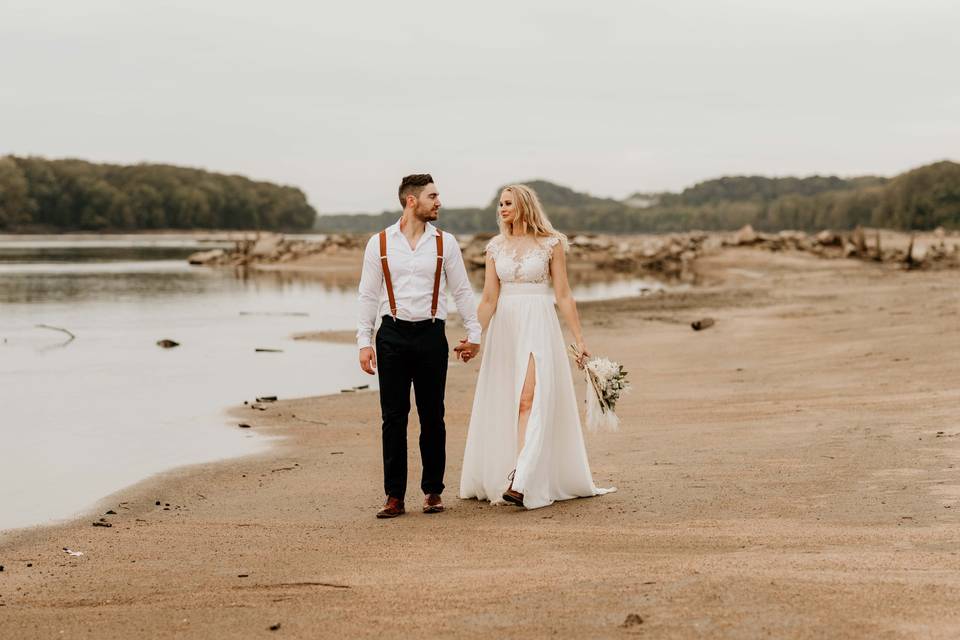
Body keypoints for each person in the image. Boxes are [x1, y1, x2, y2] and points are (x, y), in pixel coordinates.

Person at [458, 184, 615, 509]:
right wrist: (474, 336)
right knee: (509, 400)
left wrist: (579, 339)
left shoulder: (551, 244)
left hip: (538, 324)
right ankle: (513, 470)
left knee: (529, 398)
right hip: (505, 327)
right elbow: (488, 298)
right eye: (500, 203)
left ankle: (521, 478)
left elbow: (563, 294)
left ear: (524, 206)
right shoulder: (495, 247)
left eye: (508, 203)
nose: (501, 209)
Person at [357, 174, 481, 518]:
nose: (439, 201)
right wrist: (363, 341)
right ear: (412, 201)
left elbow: (461, 291)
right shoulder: (379, 243)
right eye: (433, 196)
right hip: (391, 336)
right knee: (393, 418)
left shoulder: (446, 243)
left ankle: (432, 492)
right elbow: (368, 295)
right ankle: (394, 496)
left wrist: (475, 333)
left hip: (431, 335)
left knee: (432, 416)